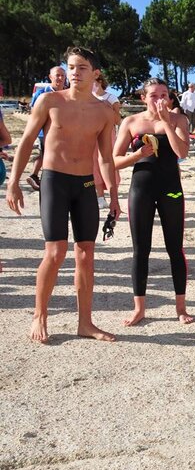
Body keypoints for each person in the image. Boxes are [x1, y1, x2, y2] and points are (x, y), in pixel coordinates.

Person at [5, 47, 121, 343]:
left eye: (81, 67)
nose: (74, 72)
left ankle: (86, 323)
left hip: (84, 185)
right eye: (71, 66)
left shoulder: (104, 112)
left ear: (96, 74)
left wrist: (114, 196)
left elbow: (106, 158)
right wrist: (14, 182)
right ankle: (39, 315)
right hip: (54, 181)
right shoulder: (49, 101)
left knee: (86, 254)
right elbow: (26, 141)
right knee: (55, 253)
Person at [113, 78, 193, 326]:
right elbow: (113, 160)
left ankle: (181, 307)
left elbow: (181, 153)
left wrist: (167, 122)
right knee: (141, 250)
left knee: (175, 249)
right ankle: (139, 309)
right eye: (154, 95)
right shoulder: (131, 122)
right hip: (141, 189)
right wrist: (137, 155)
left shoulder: (179, 120)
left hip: (170, 189)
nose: (160, 99)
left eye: (164, 95)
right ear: (143, 98)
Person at [26, 65, 67, 190]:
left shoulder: (68, 93)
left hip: (64, 132)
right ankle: (37, 176)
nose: (60, 78)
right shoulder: (41, 93)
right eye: (57, 75)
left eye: (63, 76)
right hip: (45, 132)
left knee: (55, 154)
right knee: (47, 154)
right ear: (50, 77)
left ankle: (39, 177)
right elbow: (34, 113)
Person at [91, 73, 122, 210]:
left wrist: (105, 106)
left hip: (108, 134)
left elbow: (117, 119)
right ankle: (99, 196)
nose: (93, 84)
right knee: (94, 164)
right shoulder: (87, 98)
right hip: (91, 134)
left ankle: (112, 195)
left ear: (100, 82)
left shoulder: (111, 98)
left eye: (95, 81)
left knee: (108, 161)